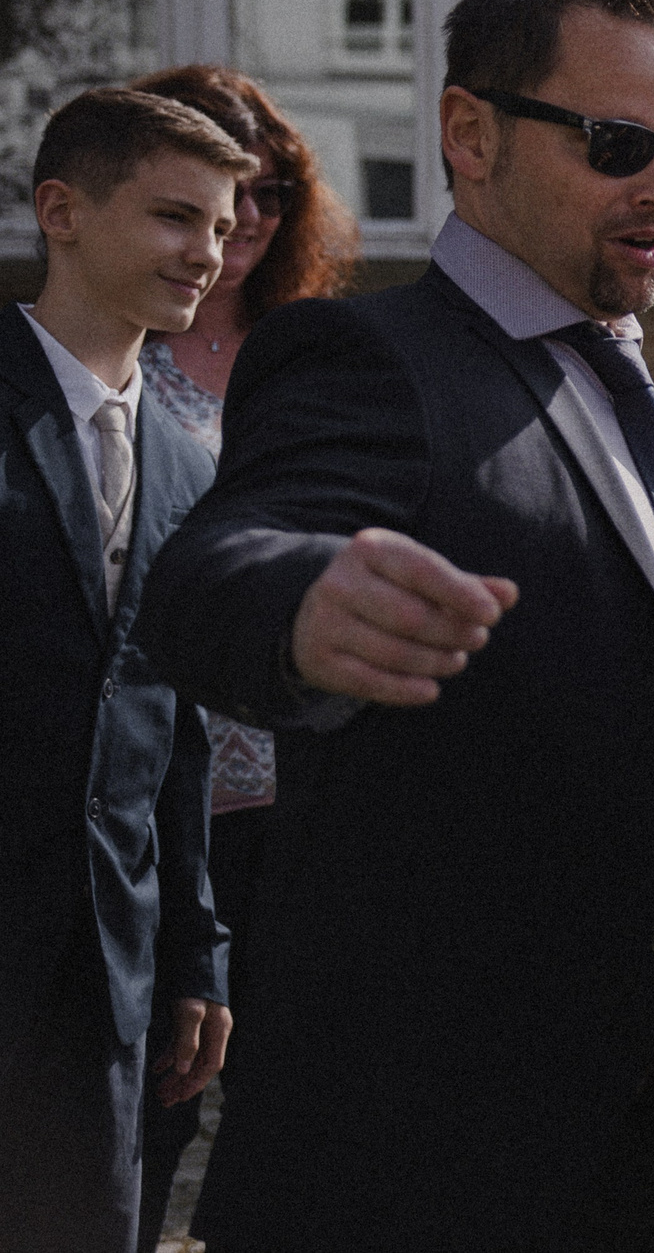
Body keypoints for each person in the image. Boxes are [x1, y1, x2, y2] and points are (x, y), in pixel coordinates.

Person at [135, 0, 654, 1252]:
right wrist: (302, 607)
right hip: (462, 1155)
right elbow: (214, 571)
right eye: (622, 143)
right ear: (470, 133)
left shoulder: (639, 400)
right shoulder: (369, 359)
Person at [1, 87, 252, 1252]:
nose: (206, 252)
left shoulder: (189, 463)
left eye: (220, 224)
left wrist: (195, 952)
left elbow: (177, 727)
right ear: (61, 210)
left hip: (108, 976)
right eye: (172, 217)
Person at [123, 65, 361, 1252]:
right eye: (224, 199)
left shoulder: (313, 350)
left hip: (299, 766)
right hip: (167, 775)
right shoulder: (125, 355)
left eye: (270, 194)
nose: (248, 223)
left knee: (297, 1072)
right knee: (155, 1076)